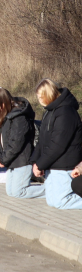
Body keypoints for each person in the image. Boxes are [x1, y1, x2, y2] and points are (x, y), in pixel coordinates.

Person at [30, 79, 82, 209]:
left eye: (41, 97)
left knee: (61, 201)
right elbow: (42, 140)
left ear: (49, 94)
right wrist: (36, 162)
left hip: (64, 164)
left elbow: (58, 144)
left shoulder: (66, 112)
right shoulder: (49, 111)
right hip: (52, 164)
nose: (39, 100)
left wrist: (42, 163)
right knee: (52, 201)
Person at [0, 88, 45, 198]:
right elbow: (0, 140)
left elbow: (16, 142)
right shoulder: (5, 116)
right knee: (10, 192)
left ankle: (51, 190)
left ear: (5, 102)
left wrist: (4, 159)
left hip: (22, 160)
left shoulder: (20, 117)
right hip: (12, 161)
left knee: (18, 192)